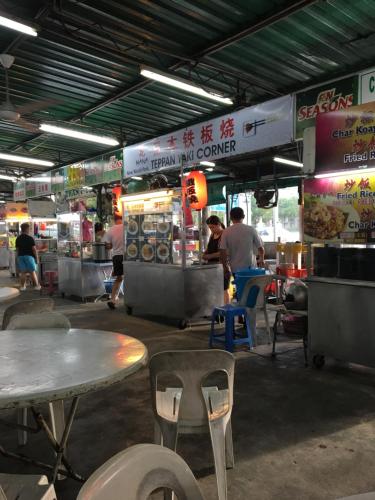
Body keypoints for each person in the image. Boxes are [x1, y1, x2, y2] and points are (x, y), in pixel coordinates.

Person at [220, 207, 265, 279]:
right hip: (251, 269)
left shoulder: (226, 232)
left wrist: (225, 268)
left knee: (240, 288)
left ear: (231, 218)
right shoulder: (251, 229)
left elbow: (222, 251)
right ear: (243, 216)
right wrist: (261, 260)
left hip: (236, 270)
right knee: (251, 289)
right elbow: (261, 248)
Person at [203, 215, 230, 304]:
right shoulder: (212, 235)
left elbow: (224, 251)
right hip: (212, 266)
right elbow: (209, 247)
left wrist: (210, 256)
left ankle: (226, 309)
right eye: (210, 227)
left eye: (213, 227)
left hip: (222, 266)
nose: (211, 229)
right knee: (214, 290)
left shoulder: (225, 234)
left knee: (224, 289)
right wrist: (205, 253)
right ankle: (216, 310)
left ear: (218, 224)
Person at [103, 215, 124, 310]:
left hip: (117, 257)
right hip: (128, 255)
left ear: (114, 220)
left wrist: (111, 245)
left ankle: (112, 300)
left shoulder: (111, 230)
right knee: (130, 277)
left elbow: (108, 246)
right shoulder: (127, 226)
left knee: (119, 278)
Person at [15, 222, 41, 291]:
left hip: (20, 256)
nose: (29, 230)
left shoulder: (18, 238)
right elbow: (34, 249)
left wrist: (17, 258)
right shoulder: (30, 238)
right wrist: (37, 258)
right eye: (29, 228)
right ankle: (36, 286)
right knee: (32, 272)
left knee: (23, 272)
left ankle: (22, 287)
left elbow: (17, 250)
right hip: (29, 257)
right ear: (26, 229)